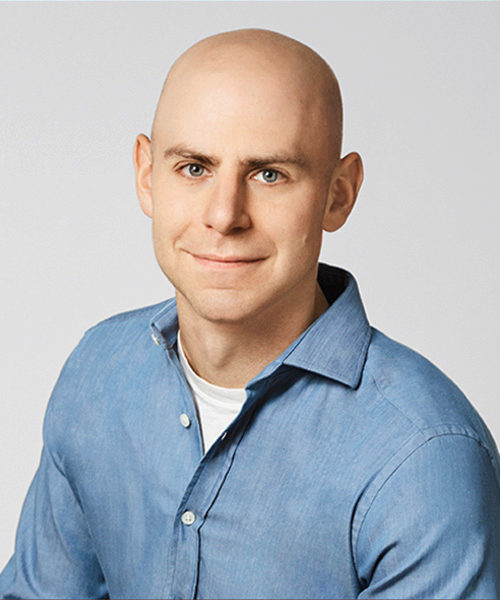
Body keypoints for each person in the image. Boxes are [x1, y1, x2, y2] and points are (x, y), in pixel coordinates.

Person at [1, 27, 499, 599]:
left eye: (269, 174)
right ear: (146, 175)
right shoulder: (98, 372)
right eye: (193, 168)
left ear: (338, 194)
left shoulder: (422, 458)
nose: (224, 214)